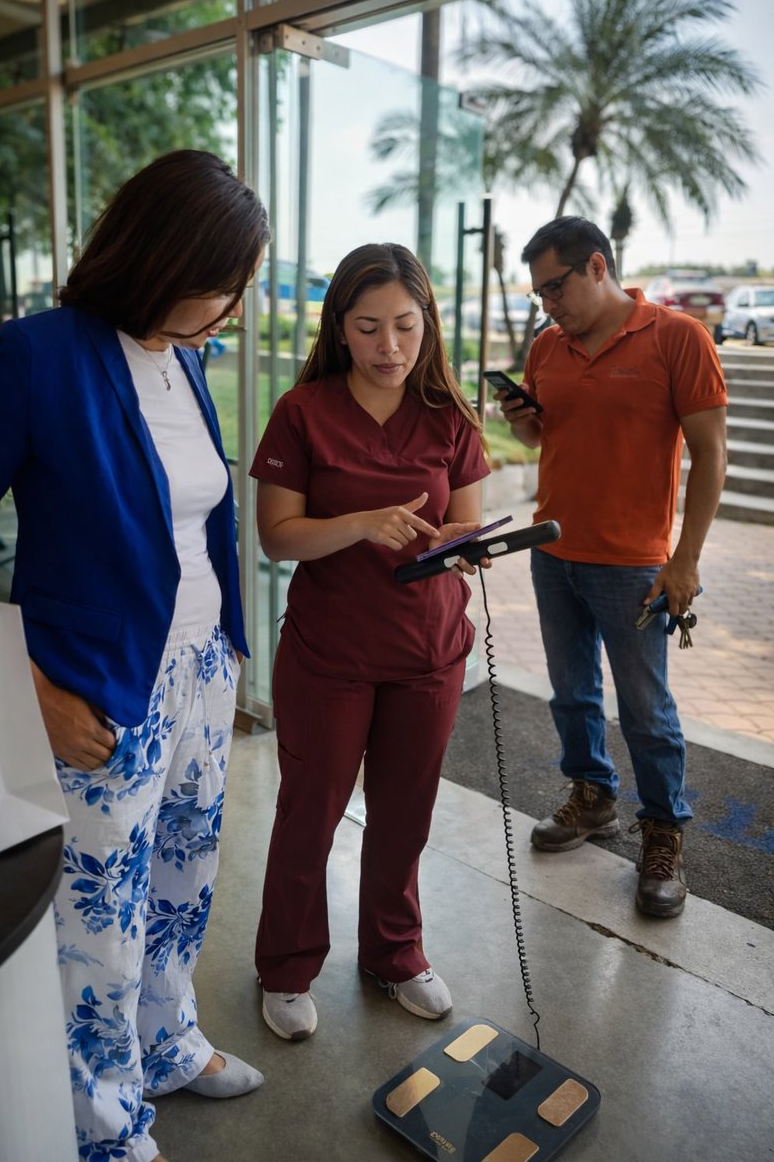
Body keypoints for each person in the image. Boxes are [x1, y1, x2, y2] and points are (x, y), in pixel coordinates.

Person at [0, 150, 270, 1162]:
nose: (234, 304)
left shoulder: (183, 361)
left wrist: (225, 655)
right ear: (165, 256)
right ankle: (102, 1129)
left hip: (197, 675)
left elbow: (188, 523)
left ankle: (167, 1045)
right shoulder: (36, 355)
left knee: (184, 884)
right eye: (224, 281)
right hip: (97, 689)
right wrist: (30, 686)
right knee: (97, 925)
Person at [249, 242, 490, 1040]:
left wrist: (470, 543)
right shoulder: (304, 412)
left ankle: (395, 953)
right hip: (330, 656)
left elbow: (466, 523)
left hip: (429, 654)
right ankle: (285, 967)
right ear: (340, 330)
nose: (391, 347)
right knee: (309, 814)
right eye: (370, 327)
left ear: (428, 325)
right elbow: (278, 538)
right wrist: (359, 524)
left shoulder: (452, 417)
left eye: (407, 326)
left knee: (405, 815)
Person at [496, 216, 727, 919]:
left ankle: (662, 833)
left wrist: (684, 561)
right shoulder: (546, 347)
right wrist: (520, 420)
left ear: (597, 266)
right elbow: (545, 435)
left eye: (555, 287)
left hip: (633, 564)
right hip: (553, 549)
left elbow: (711, 454)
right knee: (571, 693)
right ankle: (593, 798)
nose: (548, 305)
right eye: (538, 294)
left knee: (646, 709)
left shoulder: (678, 338)